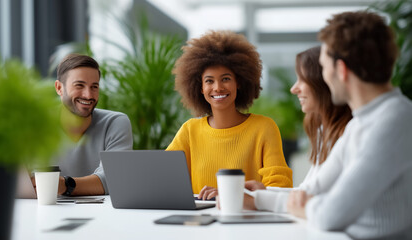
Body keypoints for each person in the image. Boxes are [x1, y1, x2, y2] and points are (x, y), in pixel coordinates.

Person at [287, 11, 412, 239]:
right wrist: (256, 199)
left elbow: (330, 215)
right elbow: (310, 192)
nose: (324, 77)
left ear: (341, 70)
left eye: (324, 67)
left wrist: (306, 206)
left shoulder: (395, 119)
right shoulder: (361, 123)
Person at [166, 30, 292, 200]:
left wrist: (229, 194)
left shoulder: (264, 128)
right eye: (209, 81)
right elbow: (165, 179)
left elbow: (280, 187)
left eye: (225, 79)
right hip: (199, 222)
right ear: (201, 88)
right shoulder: (189, 131)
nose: (217, 87)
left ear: (239, 82)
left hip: (246, 220)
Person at [243, 46, 352, 212]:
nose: (294, 89)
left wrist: (259, 199)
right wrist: (264, 191)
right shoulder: (326, 131)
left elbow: (316, 200)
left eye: (303, 79)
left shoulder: (348, 135)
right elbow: (306, 191)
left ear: (323, 81)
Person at [41, 54, 133, 196]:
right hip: (43, 211)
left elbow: (114, 180)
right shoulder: (38, 123)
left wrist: (65, 185)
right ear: (59, 88)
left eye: (94, 87)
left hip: (104, 214)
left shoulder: (115, 123)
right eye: (79, 85)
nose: (88, 95)